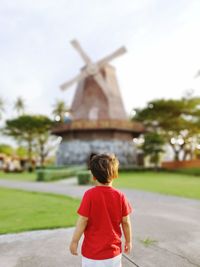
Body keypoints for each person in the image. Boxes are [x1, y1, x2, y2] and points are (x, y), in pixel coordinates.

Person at [69, 153, 133, 267]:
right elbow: (126, 222)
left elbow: (83, 220)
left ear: (93, 176)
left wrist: (75, 241)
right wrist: (128, 241)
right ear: (114, 175)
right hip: (113, 254)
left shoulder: (89, 195)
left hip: (91, 255)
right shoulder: (120, 196)